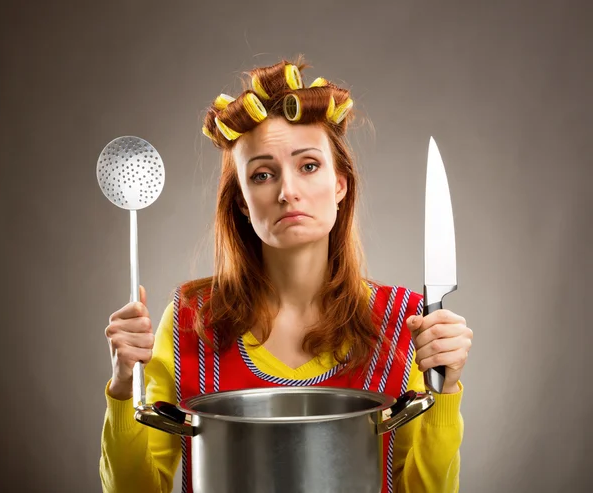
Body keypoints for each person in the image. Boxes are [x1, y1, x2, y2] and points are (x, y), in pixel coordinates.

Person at [99, 57, 473, 493]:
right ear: (241, 201)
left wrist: (446, 389)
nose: (287, 191)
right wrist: (125, 388)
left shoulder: (408, 322)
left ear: (340, 184)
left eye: (309, 165)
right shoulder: (189, 319)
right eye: (262, 174)